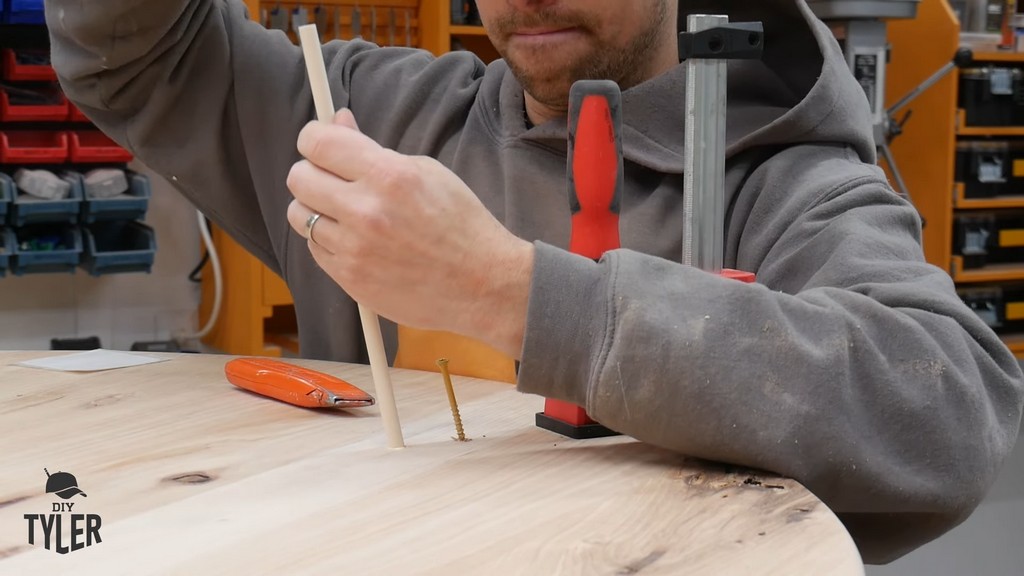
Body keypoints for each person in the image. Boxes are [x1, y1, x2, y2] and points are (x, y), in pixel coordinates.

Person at [44, 0, 1023, 564]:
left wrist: (511, 294)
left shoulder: (785, 173)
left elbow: (950, 408)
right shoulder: (373, 116)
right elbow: (138, 59)